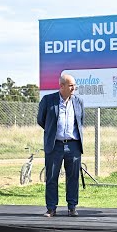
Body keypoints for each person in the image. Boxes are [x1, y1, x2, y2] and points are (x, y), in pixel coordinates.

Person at [37, 74, 84, 217]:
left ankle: (72, 207)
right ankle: (51, 208)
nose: (73, 88)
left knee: (73, 177)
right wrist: (52, 132)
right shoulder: (48, 100)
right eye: (70, 85)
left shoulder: (78, 101)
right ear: (61, 86)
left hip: (73, 145)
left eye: (74, 85)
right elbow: (41, 120)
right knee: (51, 177)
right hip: (54, 145)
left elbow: (80, 120)